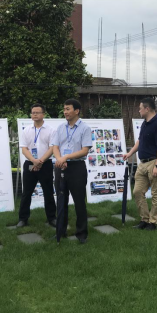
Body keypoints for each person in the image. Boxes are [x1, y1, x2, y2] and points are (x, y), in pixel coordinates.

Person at [51, 99, 93, 244]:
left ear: (76, 111)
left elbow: (85, 150)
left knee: (79, 201)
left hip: (76, 167)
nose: (65, 112)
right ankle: (60, 231)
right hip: (60, 166)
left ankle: (81, 234)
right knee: (61, 200)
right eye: (64, 109)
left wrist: (66, 157)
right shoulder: (60, 128)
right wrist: (60, 159)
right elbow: (55, 146)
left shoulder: (85, 128)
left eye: (68, 109)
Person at [123, 97, 157, 231]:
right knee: (137, 191)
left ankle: (153, 222)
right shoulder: (145, 123)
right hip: (142, 163)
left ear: (147, 109)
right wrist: (130, 153)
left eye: (140, 108)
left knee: (156, 194)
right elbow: (140, 141)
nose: (139, 110)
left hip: (154, 162)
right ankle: (144, 219)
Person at [17, 103, 56, 228]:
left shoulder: (51, 130)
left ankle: (52, 218)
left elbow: (52, 148)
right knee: (27, 193)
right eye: (33, 112)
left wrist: (40, 161)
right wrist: (34, 160)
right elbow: (24, 149)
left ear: (43, 114)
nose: (34, 115)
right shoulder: (26, 130)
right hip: (30, 164)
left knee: (48, 192)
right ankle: (23, 219)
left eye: (37, 112)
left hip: (46, 164)